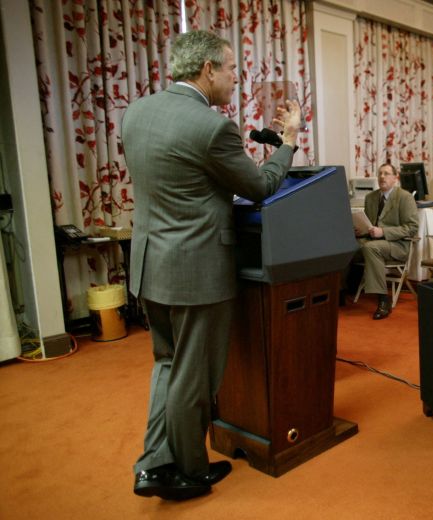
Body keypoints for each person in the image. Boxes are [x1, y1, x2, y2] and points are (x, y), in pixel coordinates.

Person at [121, 30, 300, 501]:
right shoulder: (211, 127)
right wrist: (288, 142)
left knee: (167, 364)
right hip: (196, 270)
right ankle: (188, 469)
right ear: (208, 70)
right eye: (231, 68)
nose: (236, 78)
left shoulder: (137, 112)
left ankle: (154, 463)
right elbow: (260, 186)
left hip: (150, 264)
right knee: (194, 375)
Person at [353, 163, 418, 320]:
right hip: (372, 241)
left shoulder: (405, 197)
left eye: (387, 173)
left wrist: (383, 232)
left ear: (395, 178)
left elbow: (412, 228)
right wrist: (361, 230)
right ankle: (342, 291)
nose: (382, 176)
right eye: (380, 173)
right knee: (344, 246)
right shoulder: (371, 197)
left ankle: (383, 299)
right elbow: (370, 225)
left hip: (397, 244)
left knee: (371, 248)